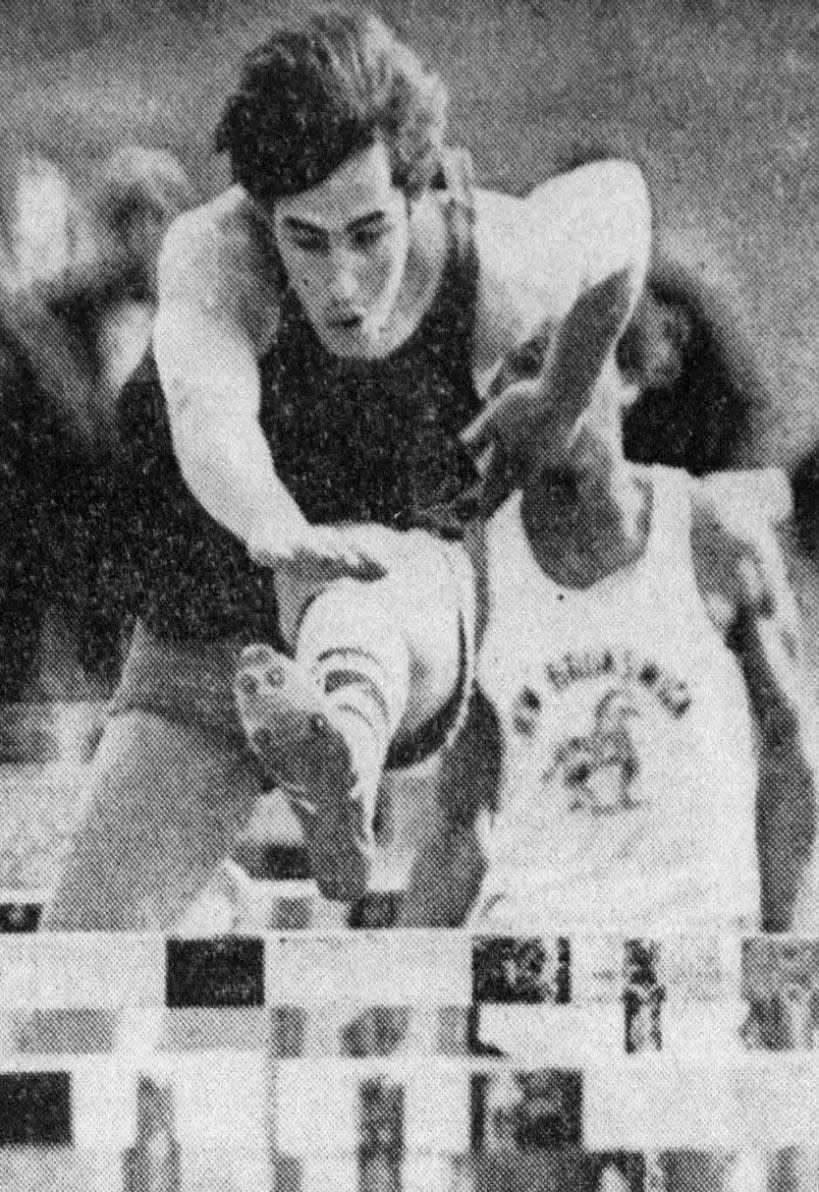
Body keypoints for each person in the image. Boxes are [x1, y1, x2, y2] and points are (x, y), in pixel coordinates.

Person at [40, 7, 651, 930]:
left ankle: (338, 768)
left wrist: (558, 396)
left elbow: (624, 210)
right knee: (82, 970)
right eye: (307, 240)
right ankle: (273, 811)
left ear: (417, 194)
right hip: (217, 641)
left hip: (400, 610)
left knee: (353, 594)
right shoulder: (213, 257)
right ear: (260, 213)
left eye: (368, 233)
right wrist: (268, 520)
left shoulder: (495, 264)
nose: (342, 284)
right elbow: (210, 412)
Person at [398, 267, 819, 938]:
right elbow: (459, 821)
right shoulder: (479, 571)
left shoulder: (717, 541)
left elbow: (788, 759)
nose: (536, 395)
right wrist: (392, 986)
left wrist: (780, 954)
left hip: (693, 963)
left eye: (549, 363)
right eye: (509, 374)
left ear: (625, 375)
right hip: (533, 979)